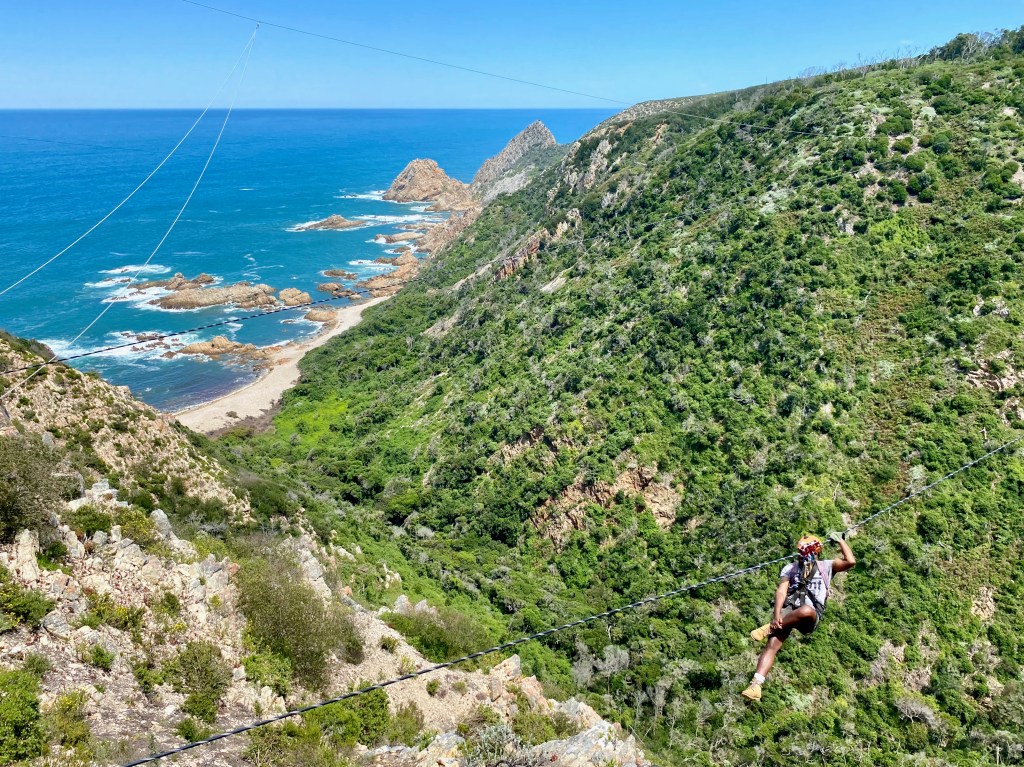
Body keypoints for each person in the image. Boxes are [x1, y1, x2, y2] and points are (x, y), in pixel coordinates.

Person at [741, 531, 856, 702]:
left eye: (805, 553)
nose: (802, 556)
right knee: (772, 645)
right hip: (789, 608)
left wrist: (840, 541)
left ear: (815, 552)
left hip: (811, 613)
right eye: (801, 553)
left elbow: (850, 561)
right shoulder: (790, 568)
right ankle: (755, 685)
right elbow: (781, 591)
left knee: (806, 610)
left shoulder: (826, 566)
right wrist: (776, 614)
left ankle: (769, 628)